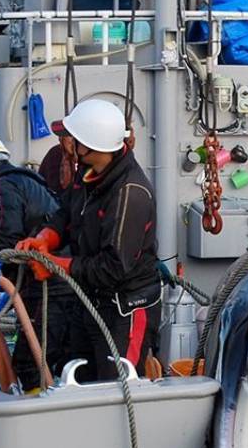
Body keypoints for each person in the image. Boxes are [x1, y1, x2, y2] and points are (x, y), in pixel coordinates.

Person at [17, 99, 160, 381]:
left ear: (91, 146)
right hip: (91, 303)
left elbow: (114, 268)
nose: (66, 145)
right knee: (79, 381)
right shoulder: (89, 176)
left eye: (72, 139)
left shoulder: (130, 193)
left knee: (119, 389)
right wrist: (45, 238)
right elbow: (67, 214)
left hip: (124, 311)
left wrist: (58, 265)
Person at [0, 133, 71, 392]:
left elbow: (6, 232)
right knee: (54, 358)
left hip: (50, 289)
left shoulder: (0, 188)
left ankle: (35, 419)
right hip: (53, 286)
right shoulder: (27, 181)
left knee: (29, 364)